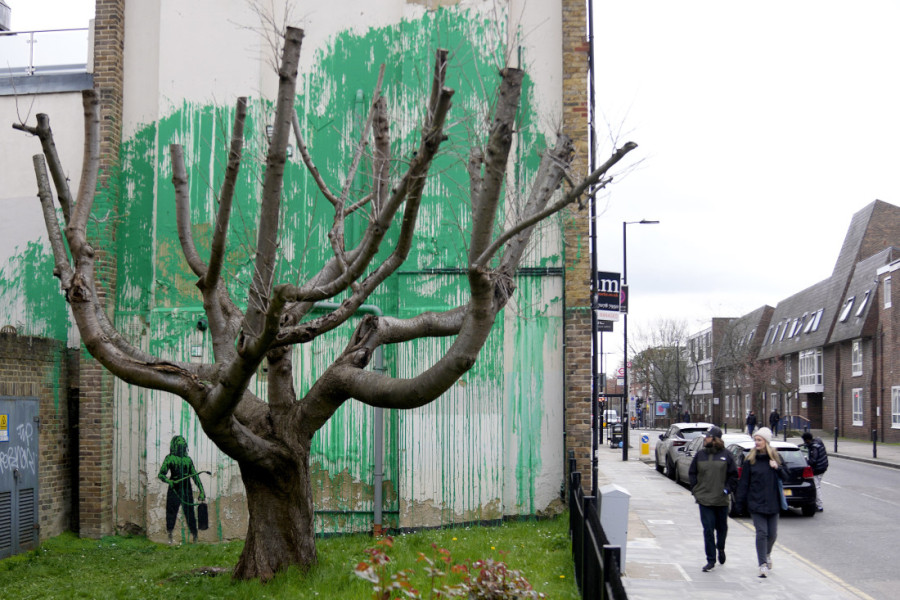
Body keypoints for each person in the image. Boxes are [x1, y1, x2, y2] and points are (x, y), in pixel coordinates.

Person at [735, 427, 787, 578]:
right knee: (762, 533)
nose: (756, 443)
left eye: (759, 440)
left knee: (772, 534)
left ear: (766, 442)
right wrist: (739, 503)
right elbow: (743, 483)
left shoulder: (776, 458)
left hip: (773, 503)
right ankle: (762, 564)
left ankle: (767, 553)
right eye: (755, 440)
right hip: (756, 503)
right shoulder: (750, 460)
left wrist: (777, 468)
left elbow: (786, 476)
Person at [689, 425, 739, 572]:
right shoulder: (700, 455)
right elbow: (692, 473)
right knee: (708, 529)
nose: (705, 439)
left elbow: (733, 476)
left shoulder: (727, 455)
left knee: (722, 528)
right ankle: (710, 559)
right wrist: (695, 490)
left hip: (721, 499)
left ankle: (721, 548)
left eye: (708, 436)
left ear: (715, 439)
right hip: (704, 500)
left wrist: (726, 490)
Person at [158, 434, 206, 543]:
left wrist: (202, 491)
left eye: (182, 444)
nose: (181, 445)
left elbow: (195, 476)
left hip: (186, 489)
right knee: (171, 512)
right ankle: (170, 535)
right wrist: (169, 481)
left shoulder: (188, 460)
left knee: (190, 513)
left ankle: (195, 536)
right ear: (174, 446)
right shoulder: (169, 458)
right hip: (174, 488)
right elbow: (161, 474)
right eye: (179, 443)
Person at [801, 432, 828, 512]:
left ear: (807, 440)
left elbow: (813, 460)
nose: (805, 443)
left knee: (816, 486)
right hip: (823, 466)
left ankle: (819, 505)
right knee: (817, 485)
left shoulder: (814, 447)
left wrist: (805, 461)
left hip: (818, 468)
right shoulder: (817, 442)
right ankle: (818, 504)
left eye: (805, 441)